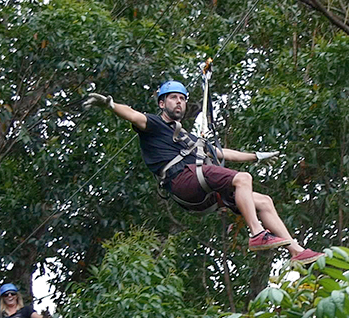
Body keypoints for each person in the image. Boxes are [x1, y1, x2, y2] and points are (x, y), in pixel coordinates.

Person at [84, 81, 322, 265]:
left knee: (264, 201)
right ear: (161, 103)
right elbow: (134, 115)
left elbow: (222, 152)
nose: (178, 102)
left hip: (201, 191)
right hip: (183, 181)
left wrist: (256, 156)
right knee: (242, 179)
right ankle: (257, 233)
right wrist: (111, 105)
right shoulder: (155, 125)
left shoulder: (189, 138)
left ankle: (296, 251)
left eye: (182, 99)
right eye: (173, 98)